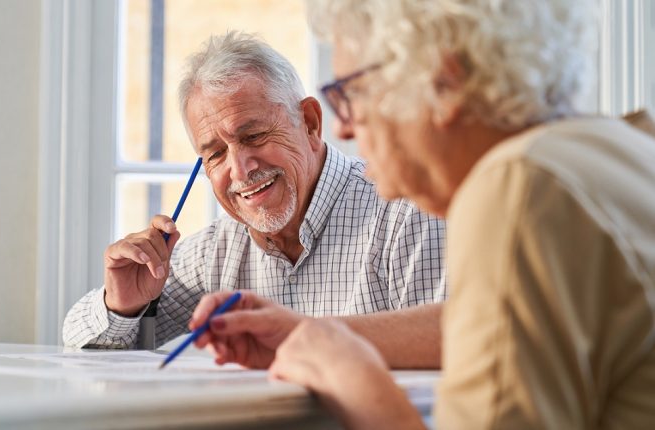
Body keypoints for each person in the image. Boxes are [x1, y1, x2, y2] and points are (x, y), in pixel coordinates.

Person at [191, 1, 655, 428]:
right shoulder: (620, 148)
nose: (343, 126)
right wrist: (311, 333)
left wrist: (353, 382)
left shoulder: (517, 186)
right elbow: (495, 330)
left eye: (351, 92)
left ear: (444, 82)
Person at [62, 31, 446, 368]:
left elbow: (456, 352)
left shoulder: (407, 215)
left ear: (310, 123)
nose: (241, 170)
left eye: (254, 136)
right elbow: (78, 341)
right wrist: (122, 305)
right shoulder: (218, 249)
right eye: (215, 154)